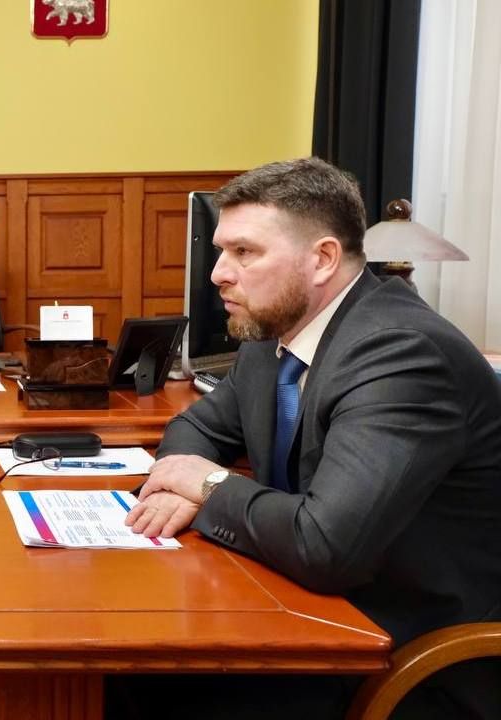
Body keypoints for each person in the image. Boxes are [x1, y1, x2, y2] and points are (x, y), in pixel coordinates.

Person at [115, 157, 501, 719]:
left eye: (244, 252)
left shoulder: (400, 353)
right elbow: (196, 427)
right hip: (306, 609)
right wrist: (182, 485)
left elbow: (325, 547)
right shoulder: (272, 335)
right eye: (222, 251)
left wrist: (209, 486)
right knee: (125, 670)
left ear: (322, 259)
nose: (218, 273)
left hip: (405, 659)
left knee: (132, 685)